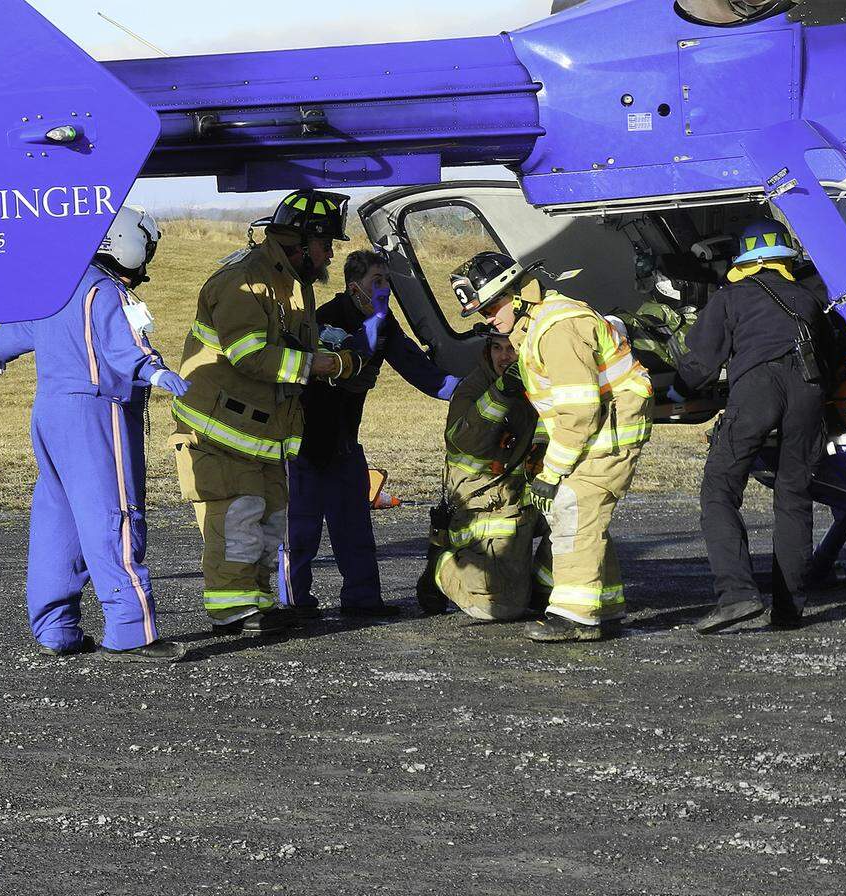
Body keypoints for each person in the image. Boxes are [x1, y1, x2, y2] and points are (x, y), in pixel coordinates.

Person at [0, 204, 190, 662]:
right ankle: (131, 631)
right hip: (96, 411)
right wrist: (154, 371)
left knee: (57, 519)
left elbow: (12, 334)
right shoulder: (105, 291)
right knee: (112, 515)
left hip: (50, 413)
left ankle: (56, 629)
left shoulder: (55, 284)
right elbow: (124, 345)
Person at [170, 190, 355, 635]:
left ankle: (258, 603)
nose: (330, 254)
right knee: (236, 521)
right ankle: (232, 613)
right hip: (219, 431)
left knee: (267, 523)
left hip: (263, 434)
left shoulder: (292, 283)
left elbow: (293, 345)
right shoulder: (242, 281)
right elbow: (248, 354)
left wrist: (336, 358)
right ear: (300, 242)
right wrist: (315, 365)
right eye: (325, 244)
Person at [451, 251, 654, 642]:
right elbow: (556, 409)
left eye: (493, 305)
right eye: (483, 311)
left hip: (608, 431)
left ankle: (575, 617)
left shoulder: (557, 328)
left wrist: (553, 471)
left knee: (573, 506)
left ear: (516, 293)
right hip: (598, 430)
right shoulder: (533, 327)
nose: (489, 318)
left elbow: (579, 412)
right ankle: (605, 606)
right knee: (586, 514)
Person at [673, 217, 834, 633]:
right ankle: (788, 610)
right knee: (794, 497)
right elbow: (830, 358)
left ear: (743, 259)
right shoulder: (807, 299)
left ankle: (737, 596)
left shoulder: (731, 298)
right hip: (809, 391)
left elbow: (701, 365)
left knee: (720, 489)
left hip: (758, 389)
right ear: (785, 257)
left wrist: (674, 391)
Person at [279, 250, 461, 619]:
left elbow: (421, 371)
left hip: (344, 439)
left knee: (354, 527)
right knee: (300, 532)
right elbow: (332, 365)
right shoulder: (327, 318)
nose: (384, 291)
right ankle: (294, 603)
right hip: (304, 440)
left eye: (387, 283)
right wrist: (366, 336)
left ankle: (362, 600)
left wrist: (472, 392)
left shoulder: (384, 322)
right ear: (353, 287)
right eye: (377, 283)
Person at [415, 315, 537, 621]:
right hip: (483, 507)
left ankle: (545, 588)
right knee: (499, 607)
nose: (504, 356)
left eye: (512, 348)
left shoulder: (536, 383)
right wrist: (501, 394)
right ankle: (441, 565)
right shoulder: (472, 388)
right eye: (498, 348)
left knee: (577, 514)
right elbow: (465, 442)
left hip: (525, 499)